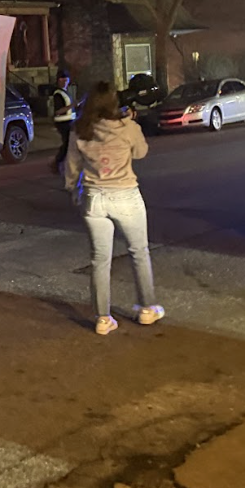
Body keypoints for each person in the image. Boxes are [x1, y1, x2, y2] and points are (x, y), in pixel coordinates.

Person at [64, 82, 163, 336]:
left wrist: (74, 191)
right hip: (125, 195)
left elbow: (72, 166)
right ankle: (147, 308)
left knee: (99, 260)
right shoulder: (126, 127)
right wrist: (131, 124)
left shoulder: (80, 130)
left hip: (95, 197)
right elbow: (141, 152)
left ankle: (103, 318)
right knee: (139, 252)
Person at [50, 69, 75, 173]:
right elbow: (58, 111)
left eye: (66, 79)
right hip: (63, 122)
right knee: (67, 143)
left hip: (69, 121)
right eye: (62, 79)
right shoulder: (58, 94)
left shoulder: (65, 93)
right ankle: (57, 162)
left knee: (69, 143)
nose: (65, 81)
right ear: (58, 81)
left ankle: (61, 163)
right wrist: (72, 106)